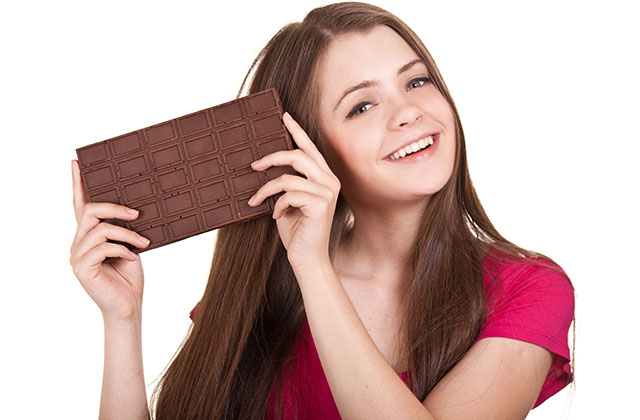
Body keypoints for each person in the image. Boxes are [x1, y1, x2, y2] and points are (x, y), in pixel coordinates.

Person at [69, 2, 575, 419]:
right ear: (308, 149)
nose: (409, 113)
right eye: (361, 106)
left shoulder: (529, 288)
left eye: (417, 82)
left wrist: (313, 266)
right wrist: (122, 319)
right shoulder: (261, 295)